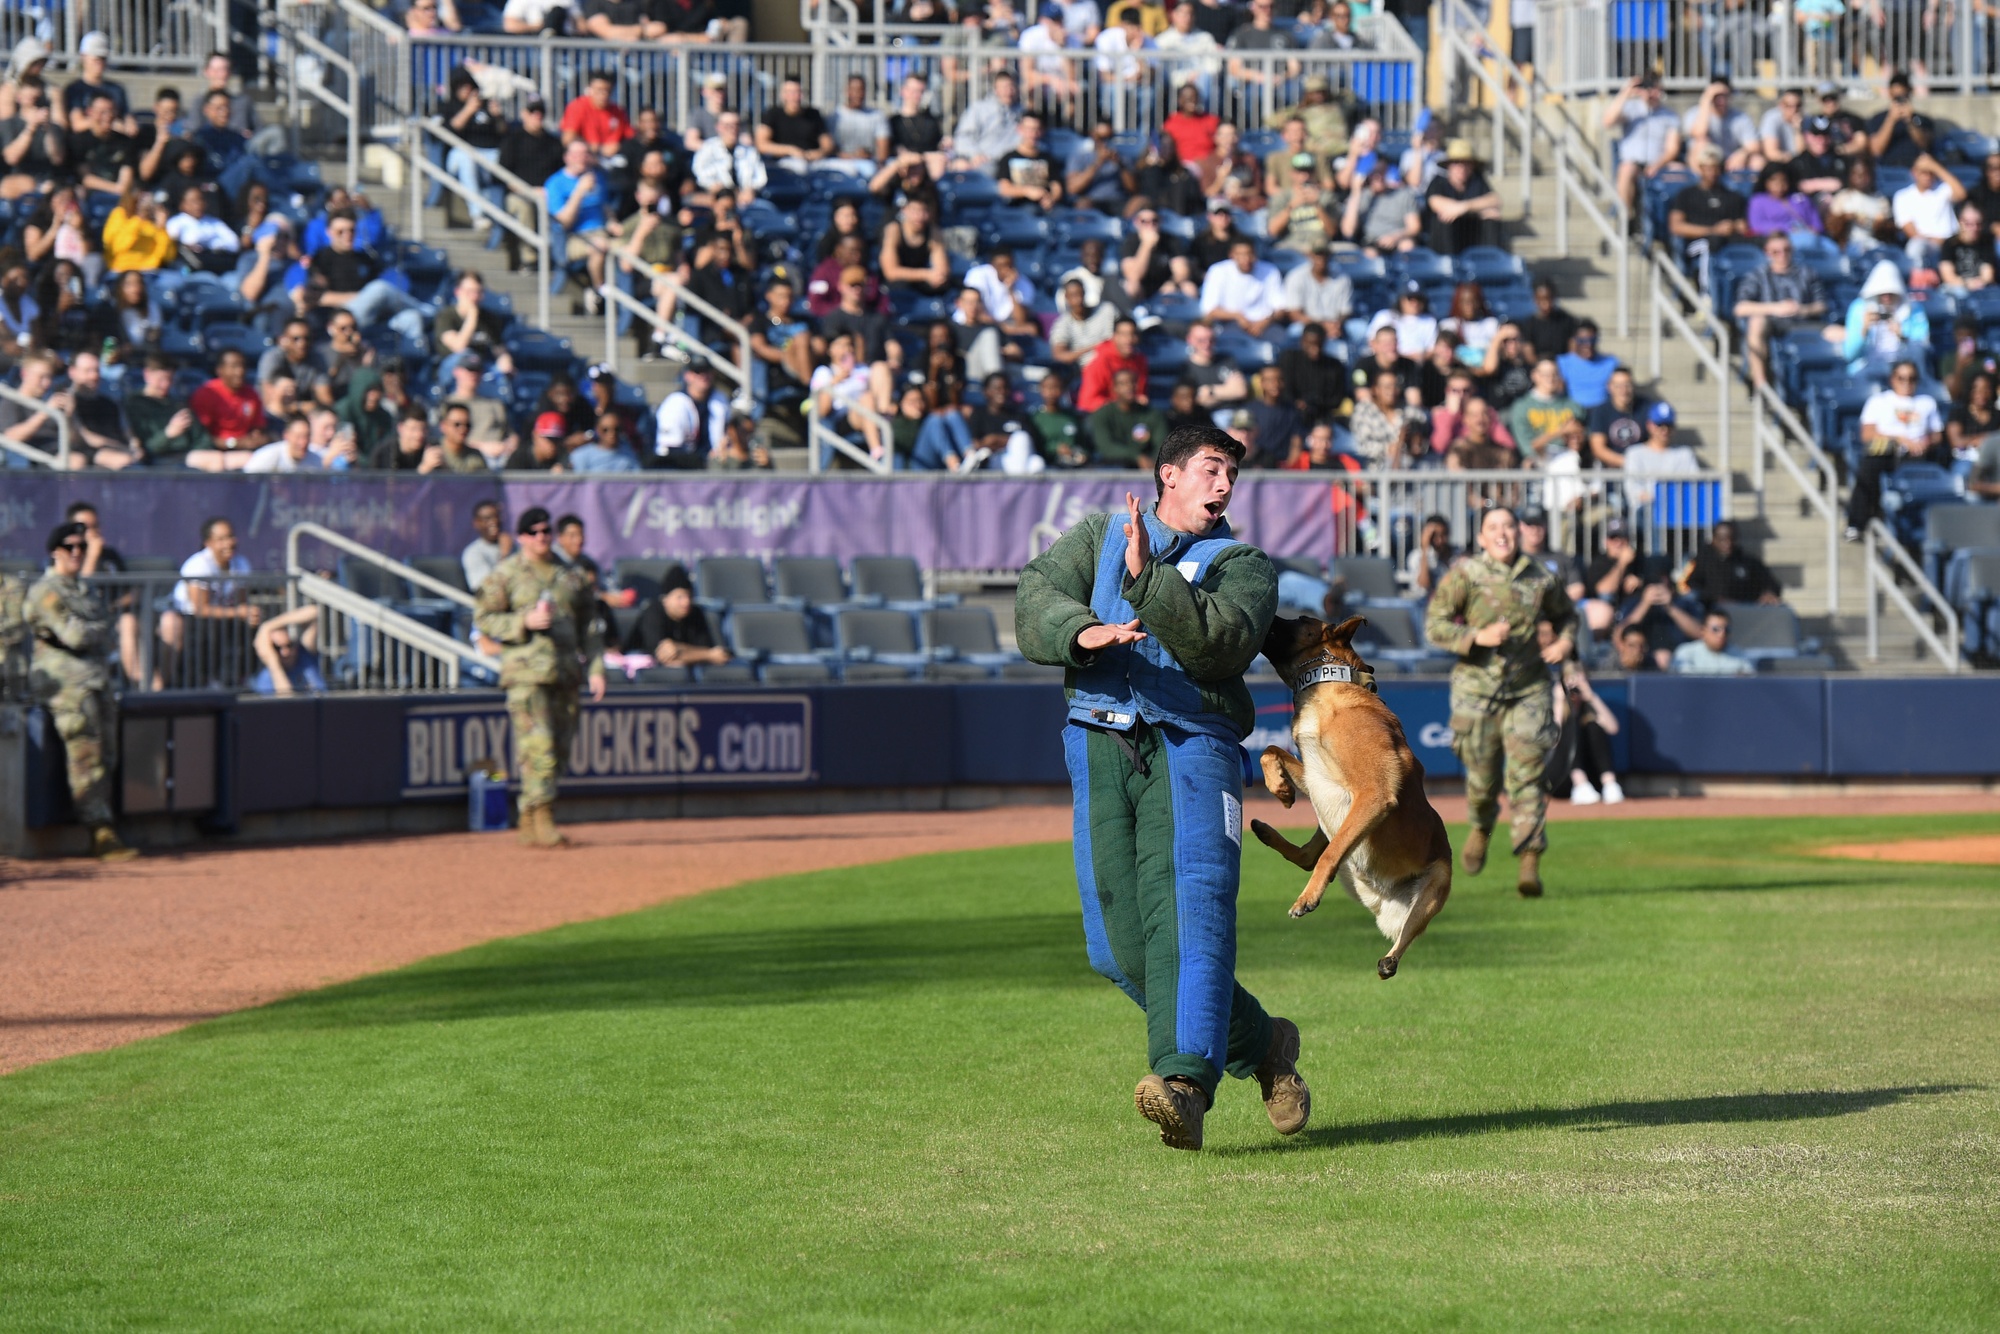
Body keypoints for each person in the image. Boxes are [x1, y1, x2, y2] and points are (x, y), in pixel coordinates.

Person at [1013, 422, 1308, 1152]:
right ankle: (1263, 1043)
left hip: (1193, 744)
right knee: (1118, 947)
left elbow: (1220, 643)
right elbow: (1035, 592)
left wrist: (1150, 582)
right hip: (1099, 738)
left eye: (1232, 476)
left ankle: (1183, 1087)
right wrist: (1079, 630)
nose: (1224, 485)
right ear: (1168, 475)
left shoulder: (1246, 565)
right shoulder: (1098, 534)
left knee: (1190, 912)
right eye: (1211, 469)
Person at [1424, 505, 1577, 897]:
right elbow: (1435, 625)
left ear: (1519, 531)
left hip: (1529, 688)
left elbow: (1567, 617)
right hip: (1477, 690)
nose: (1503, 533)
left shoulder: (1540, 575)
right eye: (1494, 527)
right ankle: (1480, 825)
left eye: (1509, 526)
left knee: (1527, 775)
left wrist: (1564, 642)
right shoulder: (1466, 574)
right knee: (1483, 774)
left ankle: (1530, 860)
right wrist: (1476, 637)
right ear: (1482, 537)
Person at [474, 506, 606, 849]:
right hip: (526, 674)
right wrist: (522, 623)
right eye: (534, 532)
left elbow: (590, 627)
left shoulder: (571, 575)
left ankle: (530, 814)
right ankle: (543, 814)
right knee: (540, 745)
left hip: (564, 673)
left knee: (559, 749)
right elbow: (484, 617)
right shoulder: (507, 573)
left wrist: (596, 669)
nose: (542, 537)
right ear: (521, 538)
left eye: (546, 531)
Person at [26, 521, 136, 860]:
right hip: (67, 684)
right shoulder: (47, 590)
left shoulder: (83, 591)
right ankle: (99, 831)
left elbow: (106, 630)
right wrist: (96, 630)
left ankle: (104, 825)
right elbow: (74, 635)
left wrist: (95, 630)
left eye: (82, 548)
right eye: (70, 547)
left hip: (96, 679)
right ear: (55, 551)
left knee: (107, 753)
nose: (77, 553)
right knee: (85, 754)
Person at [1847, 360, 1946, 539]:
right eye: (1902, 378)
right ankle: (1857, 522)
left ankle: (1909, 524)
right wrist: (1899, 439)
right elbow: (1867, 434)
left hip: (1916, 453)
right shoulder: (1878, 401)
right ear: (1892, 379)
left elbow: (1937, 435)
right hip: (1885, 449)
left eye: (1912, 378)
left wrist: (1926, 442)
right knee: (1868, 469)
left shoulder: (1927, 402)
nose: (1907, 382)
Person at [1733, 231, 1829, 390]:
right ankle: (1761, 384)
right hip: (1773, 324)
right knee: (1756, 322)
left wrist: (1802, 309)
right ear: (1767, 253)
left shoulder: (1807, 273)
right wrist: (1775, 308)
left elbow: (1822, 305)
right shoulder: (1758, 275)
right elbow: (1740, 308)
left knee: (1842, 333)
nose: (1782, 255)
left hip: (1803, 322)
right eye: (1776, 252)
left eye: (1787, 250)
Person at [1668, 144, 1749, 297]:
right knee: (1709, 245)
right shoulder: (1686, 195)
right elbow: (1676, 226)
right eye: (1708, 167)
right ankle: (1706, 295)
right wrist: (1712, 230)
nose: (1712, 172)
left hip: (1728, 241)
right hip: (1696, 244)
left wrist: (1734, 226)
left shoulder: (1733, 196)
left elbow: (1744, 226)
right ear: (1701, 168)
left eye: (1716, 167)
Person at [1605, 75, 1683, 219]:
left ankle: (1672, 220)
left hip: (1659, 164)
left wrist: (1657, 165)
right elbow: (1608, 121)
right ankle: (1625, 219)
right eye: (1649, 89)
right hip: (1633, 164)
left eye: (1656, 89)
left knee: (1682, 172)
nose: (1652, 93)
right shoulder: (1630, 109)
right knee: (1626, 169)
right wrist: (1625, 93)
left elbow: (1673, 149)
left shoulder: (1670, 116)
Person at [627, 564, 731, 668]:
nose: (686, 602)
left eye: (689, 596)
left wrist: (678, 648)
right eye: (680, 597)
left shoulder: (696, 612)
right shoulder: (652, 613)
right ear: (665, 599)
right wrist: (707, 655)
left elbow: (713, 651)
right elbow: (664, 656)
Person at [1839, 260, 1928, 372]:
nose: (1886, 297)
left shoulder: (1913, 309)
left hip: (1902, 371)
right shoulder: (1858, 309)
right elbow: (1849, 354)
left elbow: (1923, 351)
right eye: (1882, 293)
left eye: (1891, 293)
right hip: (1867, 370)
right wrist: (1864, 330)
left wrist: (1903, 336)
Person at [1424, 140, 1502, 255]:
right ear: (1448, 165)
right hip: (1446, 240)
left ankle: (1490, 261)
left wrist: (1464, 207)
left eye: (1466, 163)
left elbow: (1495, 200)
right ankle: (1448, 265)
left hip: (1472, 234)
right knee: (1445, 219)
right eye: (1456, 163)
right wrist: (1478, 210)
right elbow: (1436, 203)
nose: (1462, 168)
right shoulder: (1438, 182)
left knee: (1492, 219)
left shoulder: (1477, 181)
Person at [1683, 520, 1783, 608]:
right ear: (1714, 540)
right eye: (1722, 539)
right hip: (1710, 610)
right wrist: (1714, 598)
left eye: (1731, 538)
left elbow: (1771, 583)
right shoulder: (1702, 560)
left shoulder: (1747, 561)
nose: (1727, 543)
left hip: (1742, 610)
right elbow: (1689, 584)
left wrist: (1769, 593)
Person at [1891, 153, 1966, 269]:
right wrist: (1936, 241)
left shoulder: (1943, 189)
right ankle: (1918, 281)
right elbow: (1910, 231)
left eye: (1930, 172)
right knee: (1915, 246)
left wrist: (1935, 166)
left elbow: (1961, 194)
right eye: (1923, 172)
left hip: (1951, 243)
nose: (1927, 176)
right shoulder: (1902, 196)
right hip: (1926, 246)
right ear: (1914, 172)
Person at [1198, 236, 1284, 336]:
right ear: (1232, 255)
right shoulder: (1218, 271)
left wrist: (1265, 322)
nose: (1246, 259)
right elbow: (1210, 310)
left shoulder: (1270, 270)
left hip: (1265, 325)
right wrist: (1237, 316)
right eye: (1241, 255)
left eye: (1250, 254)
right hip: (1229, 324)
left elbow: (1280, 308)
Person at [1086, 365, 1170, 468]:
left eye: (1132, 382)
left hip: (1147, 466)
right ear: (1114, 388)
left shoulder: (1153, 414)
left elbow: (1161, 446)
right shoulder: (1102, 414)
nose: (1129, 387)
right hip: (1113, 467)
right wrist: (1137, 456)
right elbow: (1106, 447)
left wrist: (1154, 462)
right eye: (1123, 383)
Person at [654, 363, 730, 468]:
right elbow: (671, 450)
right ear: (687, 376)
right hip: (674, 466)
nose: (703, 376)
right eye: (698, 372)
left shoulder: (719, 400)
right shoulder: (675, 403)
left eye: (706, 372)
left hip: (711, 463)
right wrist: (705, 459)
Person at [1681, 77, 1762, 172]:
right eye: (1717, 96)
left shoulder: (1740, 117)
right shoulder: (1695, 113)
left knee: (1757, 160)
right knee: (1701, 143)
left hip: (1731, 162)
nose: (1721, 100)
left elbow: (1754, 145)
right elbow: (1700, 133)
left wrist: (1742, 154)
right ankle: (1702, 186)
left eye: (1724, 96)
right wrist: (1706, 100)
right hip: (1707, 164)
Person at [251, 605, 326, 695]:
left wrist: (267, 626)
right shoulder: (266, 679)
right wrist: (272, 662)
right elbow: (288, 703)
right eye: (277, 648)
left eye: (289, 645)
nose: (286, 652)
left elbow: (314, 612)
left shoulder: (304, 655)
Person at [1671, 606, 1756, 675]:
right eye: (1716, 629)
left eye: (1727, 630)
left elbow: (1750, 681)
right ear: (1703, 631)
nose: (1722, 634)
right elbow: (1685, 682)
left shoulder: (1739, 655)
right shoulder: (1686, 652)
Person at [1556, 320, 1618, 410]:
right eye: (1582, 341)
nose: (1588, 344)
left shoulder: (1611, 362)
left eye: (1592, 340)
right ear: (1574, 341)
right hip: (1573, 412)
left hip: (1603, 412)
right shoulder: (1562, 362)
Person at [463, 500, 511, 591]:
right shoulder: (473, 553)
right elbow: (487, 590)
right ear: (477, 523)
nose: (494, 521)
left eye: (496, 516)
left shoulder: (513, 546)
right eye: (487, 518)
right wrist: (504, 554)